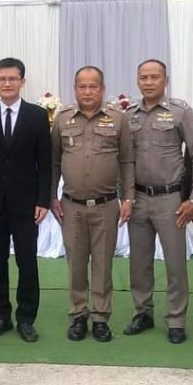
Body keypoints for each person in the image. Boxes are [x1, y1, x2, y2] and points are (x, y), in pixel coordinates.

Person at [124, 59, 193, 344]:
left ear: (165, 80)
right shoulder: (129, 115)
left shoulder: (180, 111)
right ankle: (142, 312)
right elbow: (124, 159)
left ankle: (176, 319)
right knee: (139, 262)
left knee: (175, 263)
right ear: (137, 80)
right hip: (138, 198)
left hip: (170, 199)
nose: (148, 82)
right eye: (143, 77)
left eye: (154, 77)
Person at [51, 66, 135, 342]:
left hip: (106, 205)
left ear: (102, 88)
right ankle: (78, 315)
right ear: (75, 89)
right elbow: (54, 161)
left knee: (102, 264)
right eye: (82, 86)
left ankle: (100, 317)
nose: (87, 92)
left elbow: (127, 161)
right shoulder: (62, 119)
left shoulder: (118, 119)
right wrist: (52, 196)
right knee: (76, 264)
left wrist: (128, 197)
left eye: (93, 86)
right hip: (71, 206)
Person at [0, 57, 51, 342]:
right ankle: (1, 316)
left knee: (27, 263)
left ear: (22, 82)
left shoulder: (37, 115)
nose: (7, 83)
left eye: (12, 79)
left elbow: (45, 163)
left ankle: (26, 319)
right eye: (2, 79)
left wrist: (43, 200)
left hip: (27, 204)